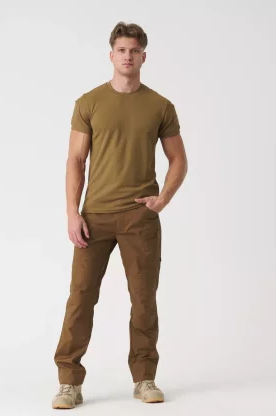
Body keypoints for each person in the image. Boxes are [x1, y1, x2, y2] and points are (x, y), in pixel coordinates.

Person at [52, 21, 188, 409]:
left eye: (135, 51)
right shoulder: (89, 102)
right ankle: (69, 382)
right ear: (111, 55)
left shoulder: (160, 106)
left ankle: (144, 378)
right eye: (122, 50)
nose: (128, 56)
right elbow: (75, 160)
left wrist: (162, 199)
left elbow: (178, 159)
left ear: (144, 56)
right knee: (80, 298)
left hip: (139, 218)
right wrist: (72, 213)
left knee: (144, 300)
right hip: (94, 217)